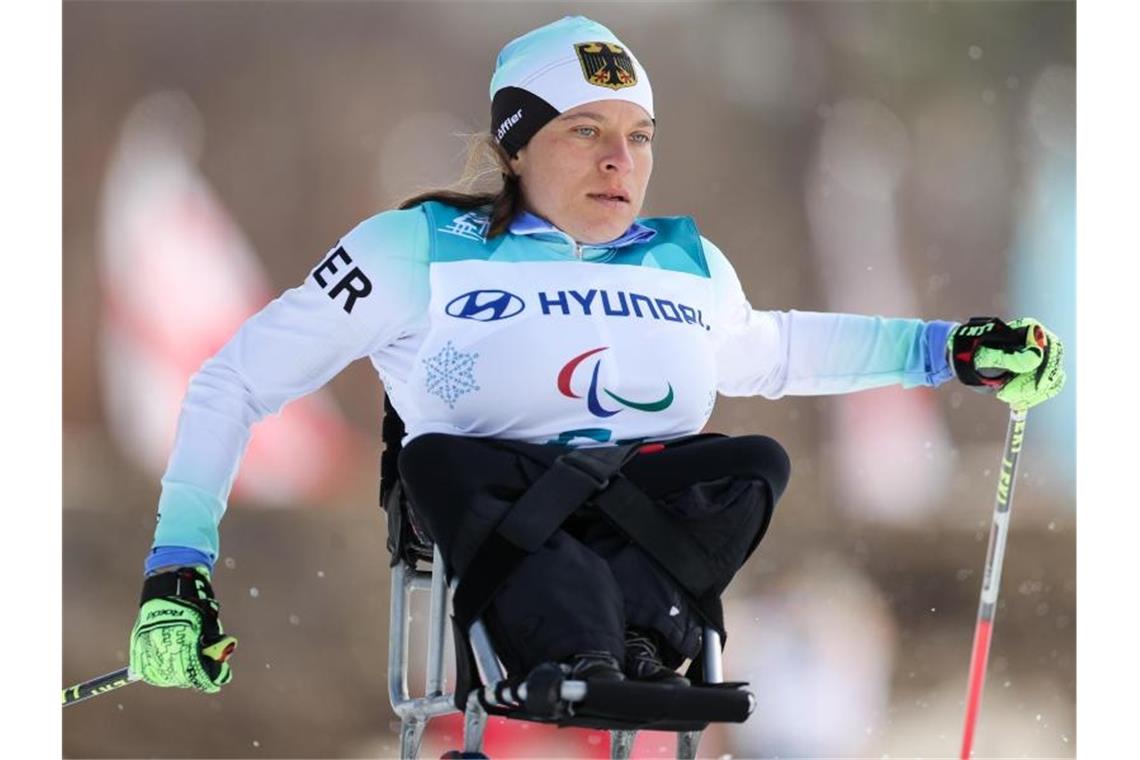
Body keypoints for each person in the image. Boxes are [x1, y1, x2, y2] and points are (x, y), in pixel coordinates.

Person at [127, 16, 1065, 697]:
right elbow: (233, 379)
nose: (622, 160)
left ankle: (639, 641)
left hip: (642, 523)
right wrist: (180, 569)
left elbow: (775, 349)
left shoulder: (684, 260)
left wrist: (951, 351)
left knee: (754, 462)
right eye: (587, 132)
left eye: (639, 137)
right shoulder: (416, 246)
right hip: (496, 513)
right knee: (443, 461)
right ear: (518, 145)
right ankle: (569, 655)